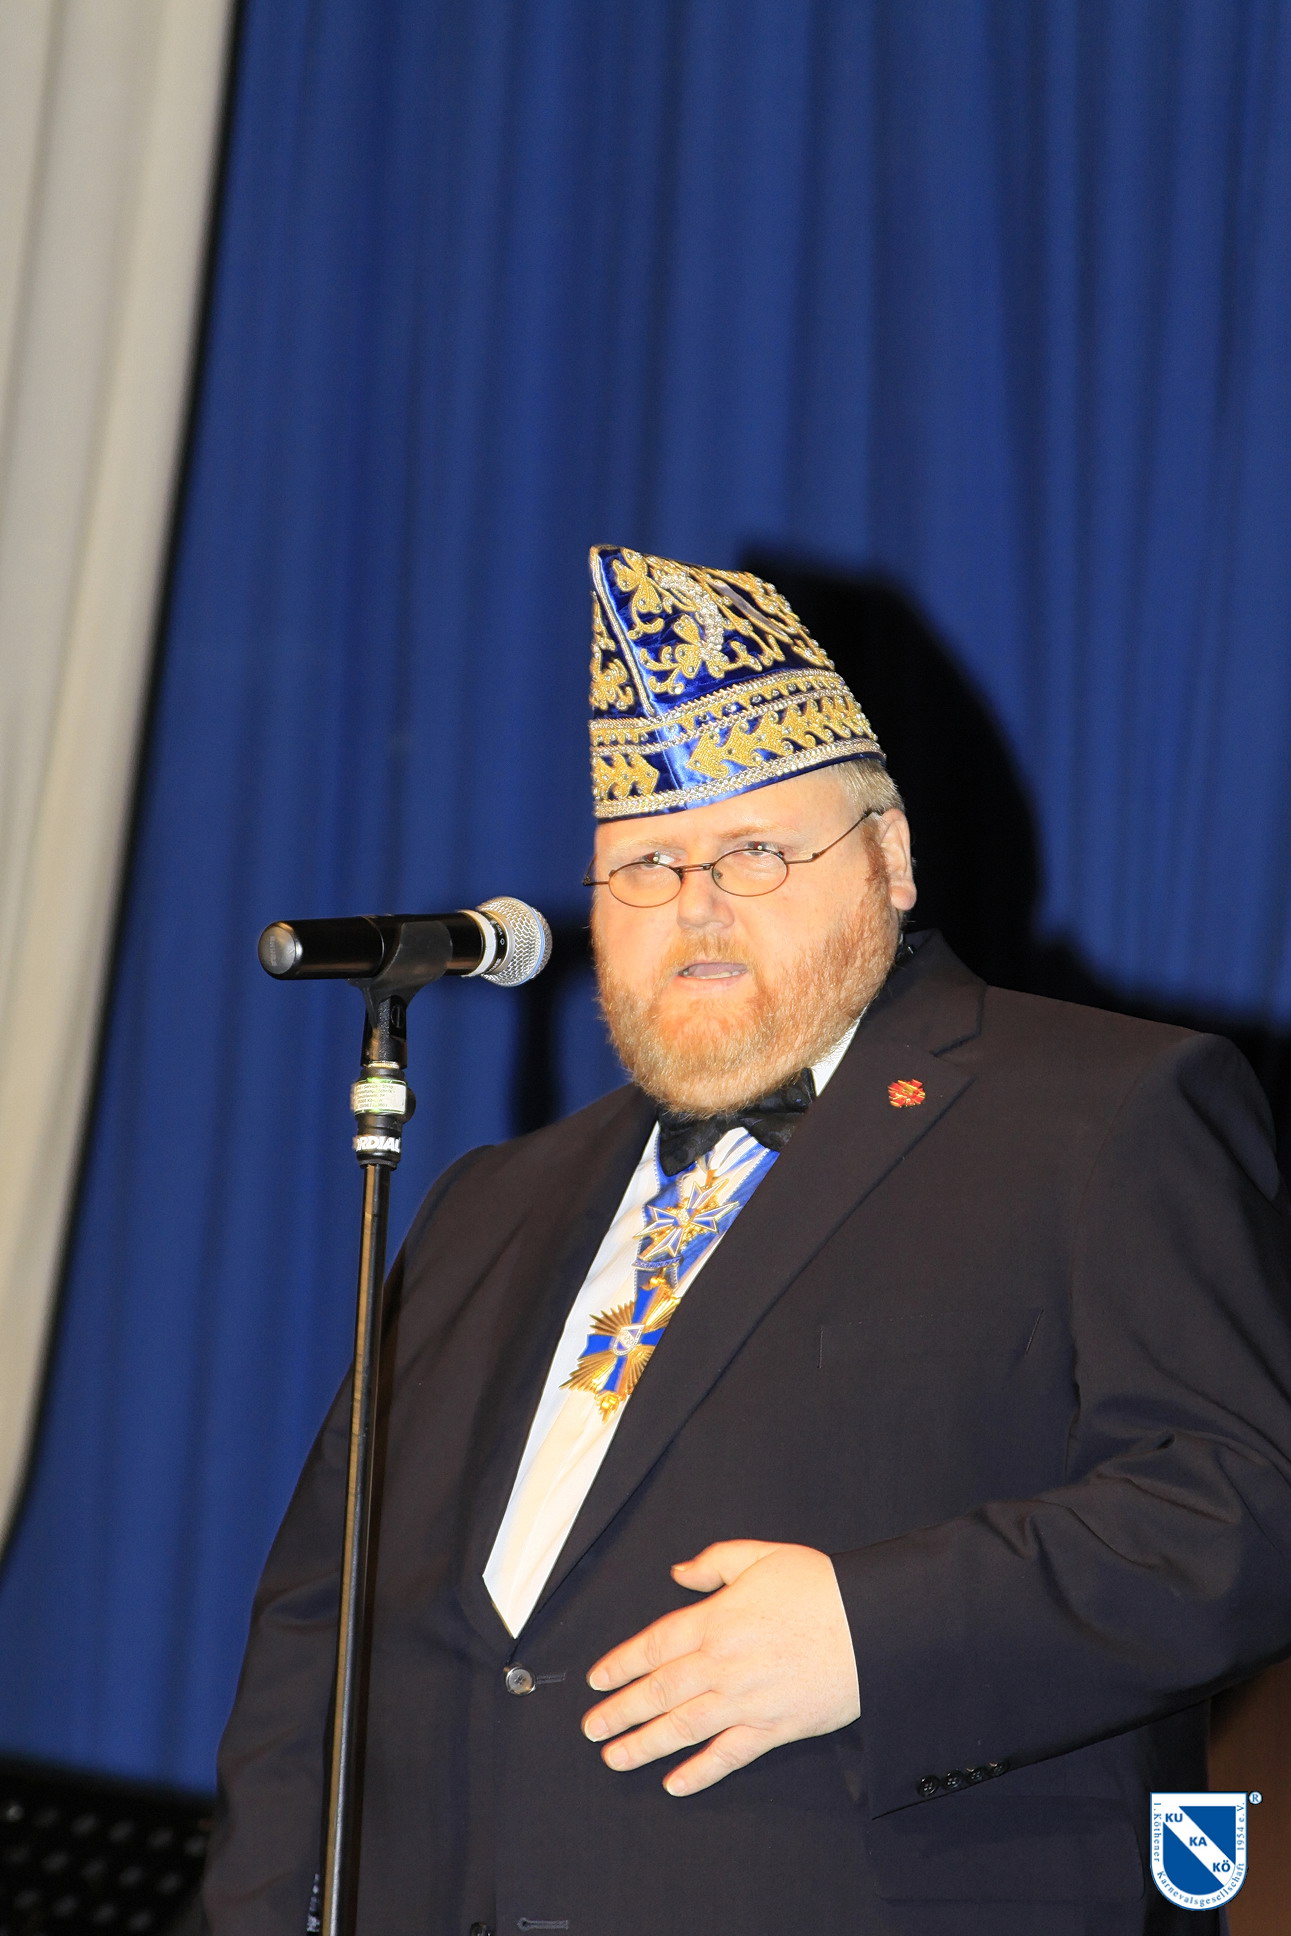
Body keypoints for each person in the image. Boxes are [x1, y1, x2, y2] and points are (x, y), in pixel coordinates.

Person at [205, 548, 1291, 1936]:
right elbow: (320, 1628)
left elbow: (1246, 1506)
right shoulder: (489, 1201)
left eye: (758, 853)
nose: (696, 904)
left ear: (890, 860)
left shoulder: (1103, 1112)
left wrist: (870, 1636)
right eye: (644, 865)